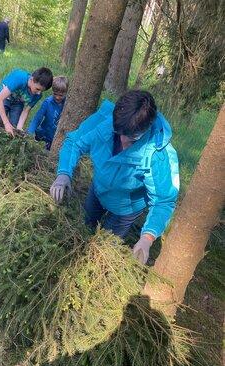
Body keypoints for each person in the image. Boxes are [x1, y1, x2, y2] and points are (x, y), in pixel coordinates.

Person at [50, 90, 179, 264]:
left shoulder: (159, 154)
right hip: (97, 191)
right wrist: (64, 174)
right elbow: (74, 142)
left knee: (105, 247)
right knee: (84, 225)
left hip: (126, 208)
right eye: (120, 134)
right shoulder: (104, 121)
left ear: (148, 127)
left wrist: (147, 237)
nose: (124, 141)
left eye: (133, 138)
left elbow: (164, 201)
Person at [0, 67, 53, 137]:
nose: (39, 93)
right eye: (38, 89)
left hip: (18, 102)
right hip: (5, 96)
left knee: (14, 126)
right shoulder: (19, 79)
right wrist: (6, 123)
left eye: (42, 91)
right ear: (31, 80)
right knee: (0, 121)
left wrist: (19, 129)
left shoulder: (38, 95)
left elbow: (26, 111)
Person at [27, 75, 69, 150]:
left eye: (61, 95)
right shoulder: (47, 103)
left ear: (66, 93)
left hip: (57, 140)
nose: (57, 97)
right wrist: (30, 133)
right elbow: (37, 119)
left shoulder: (68, 103)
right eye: (55, 94)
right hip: (44, 137)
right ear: (52, 91)